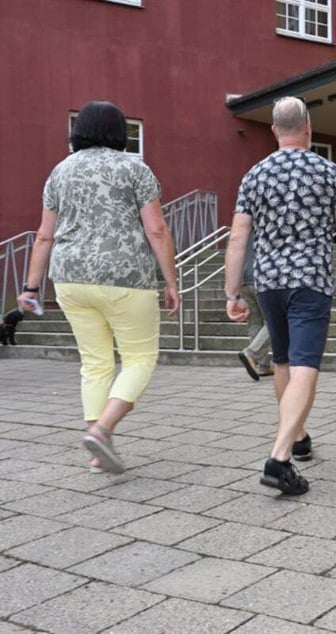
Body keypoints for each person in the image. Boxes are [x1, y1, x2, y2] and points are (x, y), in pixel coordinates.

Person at [17, 100, 180, 475]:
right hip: (126, 277)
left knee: (95, 364)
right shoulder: (134, 169)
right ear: (119, 132)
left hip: (70, 278)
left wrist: (31, 286)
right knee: (139, 358)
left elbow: (44, 236)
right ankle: (104, 430)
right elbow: (156, 229)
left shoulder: (60, 171)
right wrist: (171, 280)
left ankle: (96, 449)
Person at [224, 96, 336, 496]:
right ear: (308, 127)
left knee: (283, 360)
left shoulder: (254, 174)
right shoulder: (328, 171)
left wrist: (232, 291)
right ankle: (279, 457)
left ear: (273, 131)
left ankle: (299, 434)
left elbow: (238, 237)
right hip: (310, 280)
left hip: (268, 281)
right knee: (305, 364)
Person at [237, 230, 273, 382]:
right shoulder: (269, 226)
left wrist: (235, 293)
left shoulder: (244, 230)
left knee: (255, 322)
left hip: (244, 280)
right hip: (263, 278)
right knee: (275, 321)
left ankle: (263, 365)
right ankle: (251, 352)